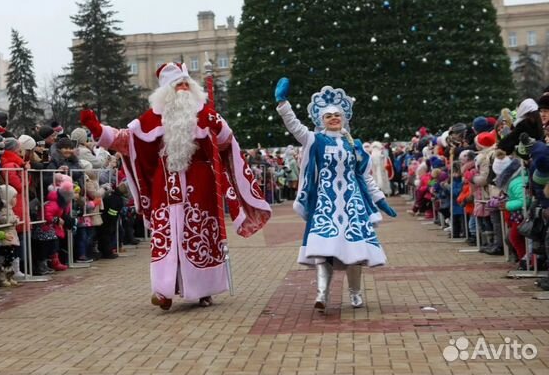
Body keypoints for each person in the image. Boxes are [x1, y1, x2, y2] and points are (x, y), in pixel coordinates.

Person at [80, 62, 271, 310]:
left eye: (186, 84)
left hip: (200, 186)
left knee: (200, 234)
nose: (183, 88)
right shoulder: (151, 119)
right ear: (166, 91)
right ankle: (164, 290)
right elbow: (127, 141)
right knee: (167, 235)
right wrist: (98, 129)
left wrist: (219, 126)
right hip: (165, 186)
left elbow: (225, 144)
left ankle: (205, 289)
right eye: (177, 85)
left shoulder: (205, 114)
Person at [274, 78, 397, 311]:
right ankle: (322, 293)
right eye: (328, 116)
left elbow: (365, 176)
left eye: (337, 115)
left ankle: (355, 293)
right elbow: (294, 125)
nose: (333, 118)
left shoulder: (355, 145)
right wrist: (283, 104)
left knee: (355, 250)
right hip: (326, 204)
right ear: (322, 120)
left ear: (343, 118)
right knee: (323, 248)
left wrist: (380, 200)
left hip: (352, 204)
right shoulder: (315, 140)